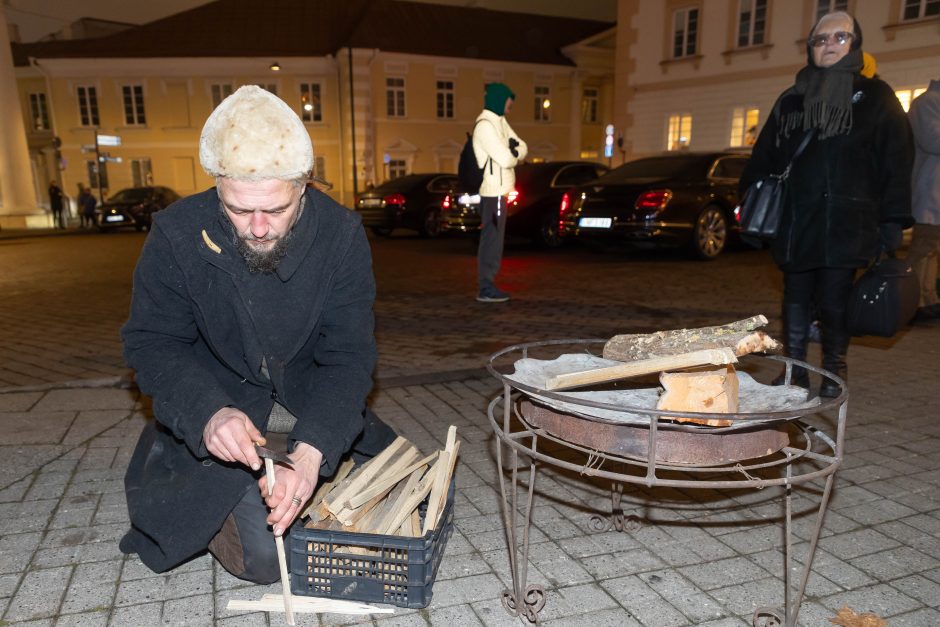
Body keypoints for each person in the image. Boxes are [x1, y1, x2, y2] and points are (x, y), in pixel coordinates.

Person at [119, 85, 396, 583]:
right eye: (239, 211)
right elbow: (153, 343)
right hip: (226, 413)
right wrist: (206, 413)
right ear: (218, 187)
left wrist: (312, 452)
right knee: (272, 561)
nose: (259, 227)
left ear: (304, 187)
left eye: (276, 209)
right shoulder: (177, 233)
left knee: (399, 495)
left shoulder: (341, 235)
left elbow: (348, 357)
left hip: (308, 405)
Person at [740, 11, 913, 398]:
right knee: (795, 299)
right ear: (810, 48)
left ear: (855, 44)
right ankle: (795, 373)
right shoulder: (791, 99)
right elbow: (763, 156)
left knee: (835, 300)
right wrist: (752, 201)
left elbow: (897, 161)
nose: (829, 45)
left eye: (840, 37)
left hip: (848, 220)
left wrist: (892, 220)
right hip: (796, 220)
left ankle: (834, 368)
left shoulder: (875, 98)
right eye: (820, 40)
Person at [473, 82, 527, 303]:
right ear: (498, 99)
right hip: (493, 193)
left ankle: (488, 284)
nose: (510, 105)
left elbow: (522, 147)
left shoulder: (500, 122)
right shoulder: (485, 125)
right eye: (508, 101)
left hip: (500, 193)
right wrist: (512, 153)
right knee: (492, 240)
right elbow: (507, 158)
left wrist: (513, 151)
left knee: (495, 239)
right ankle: (486, 287)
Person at [907, 79, 940, 322]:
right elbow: (933, 140)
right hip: (930, 193)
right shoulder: (926, 103)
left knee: (932, 251)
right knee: (923, 249)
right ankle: (913, 301)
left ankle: (929, 299)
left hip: (935, 193)